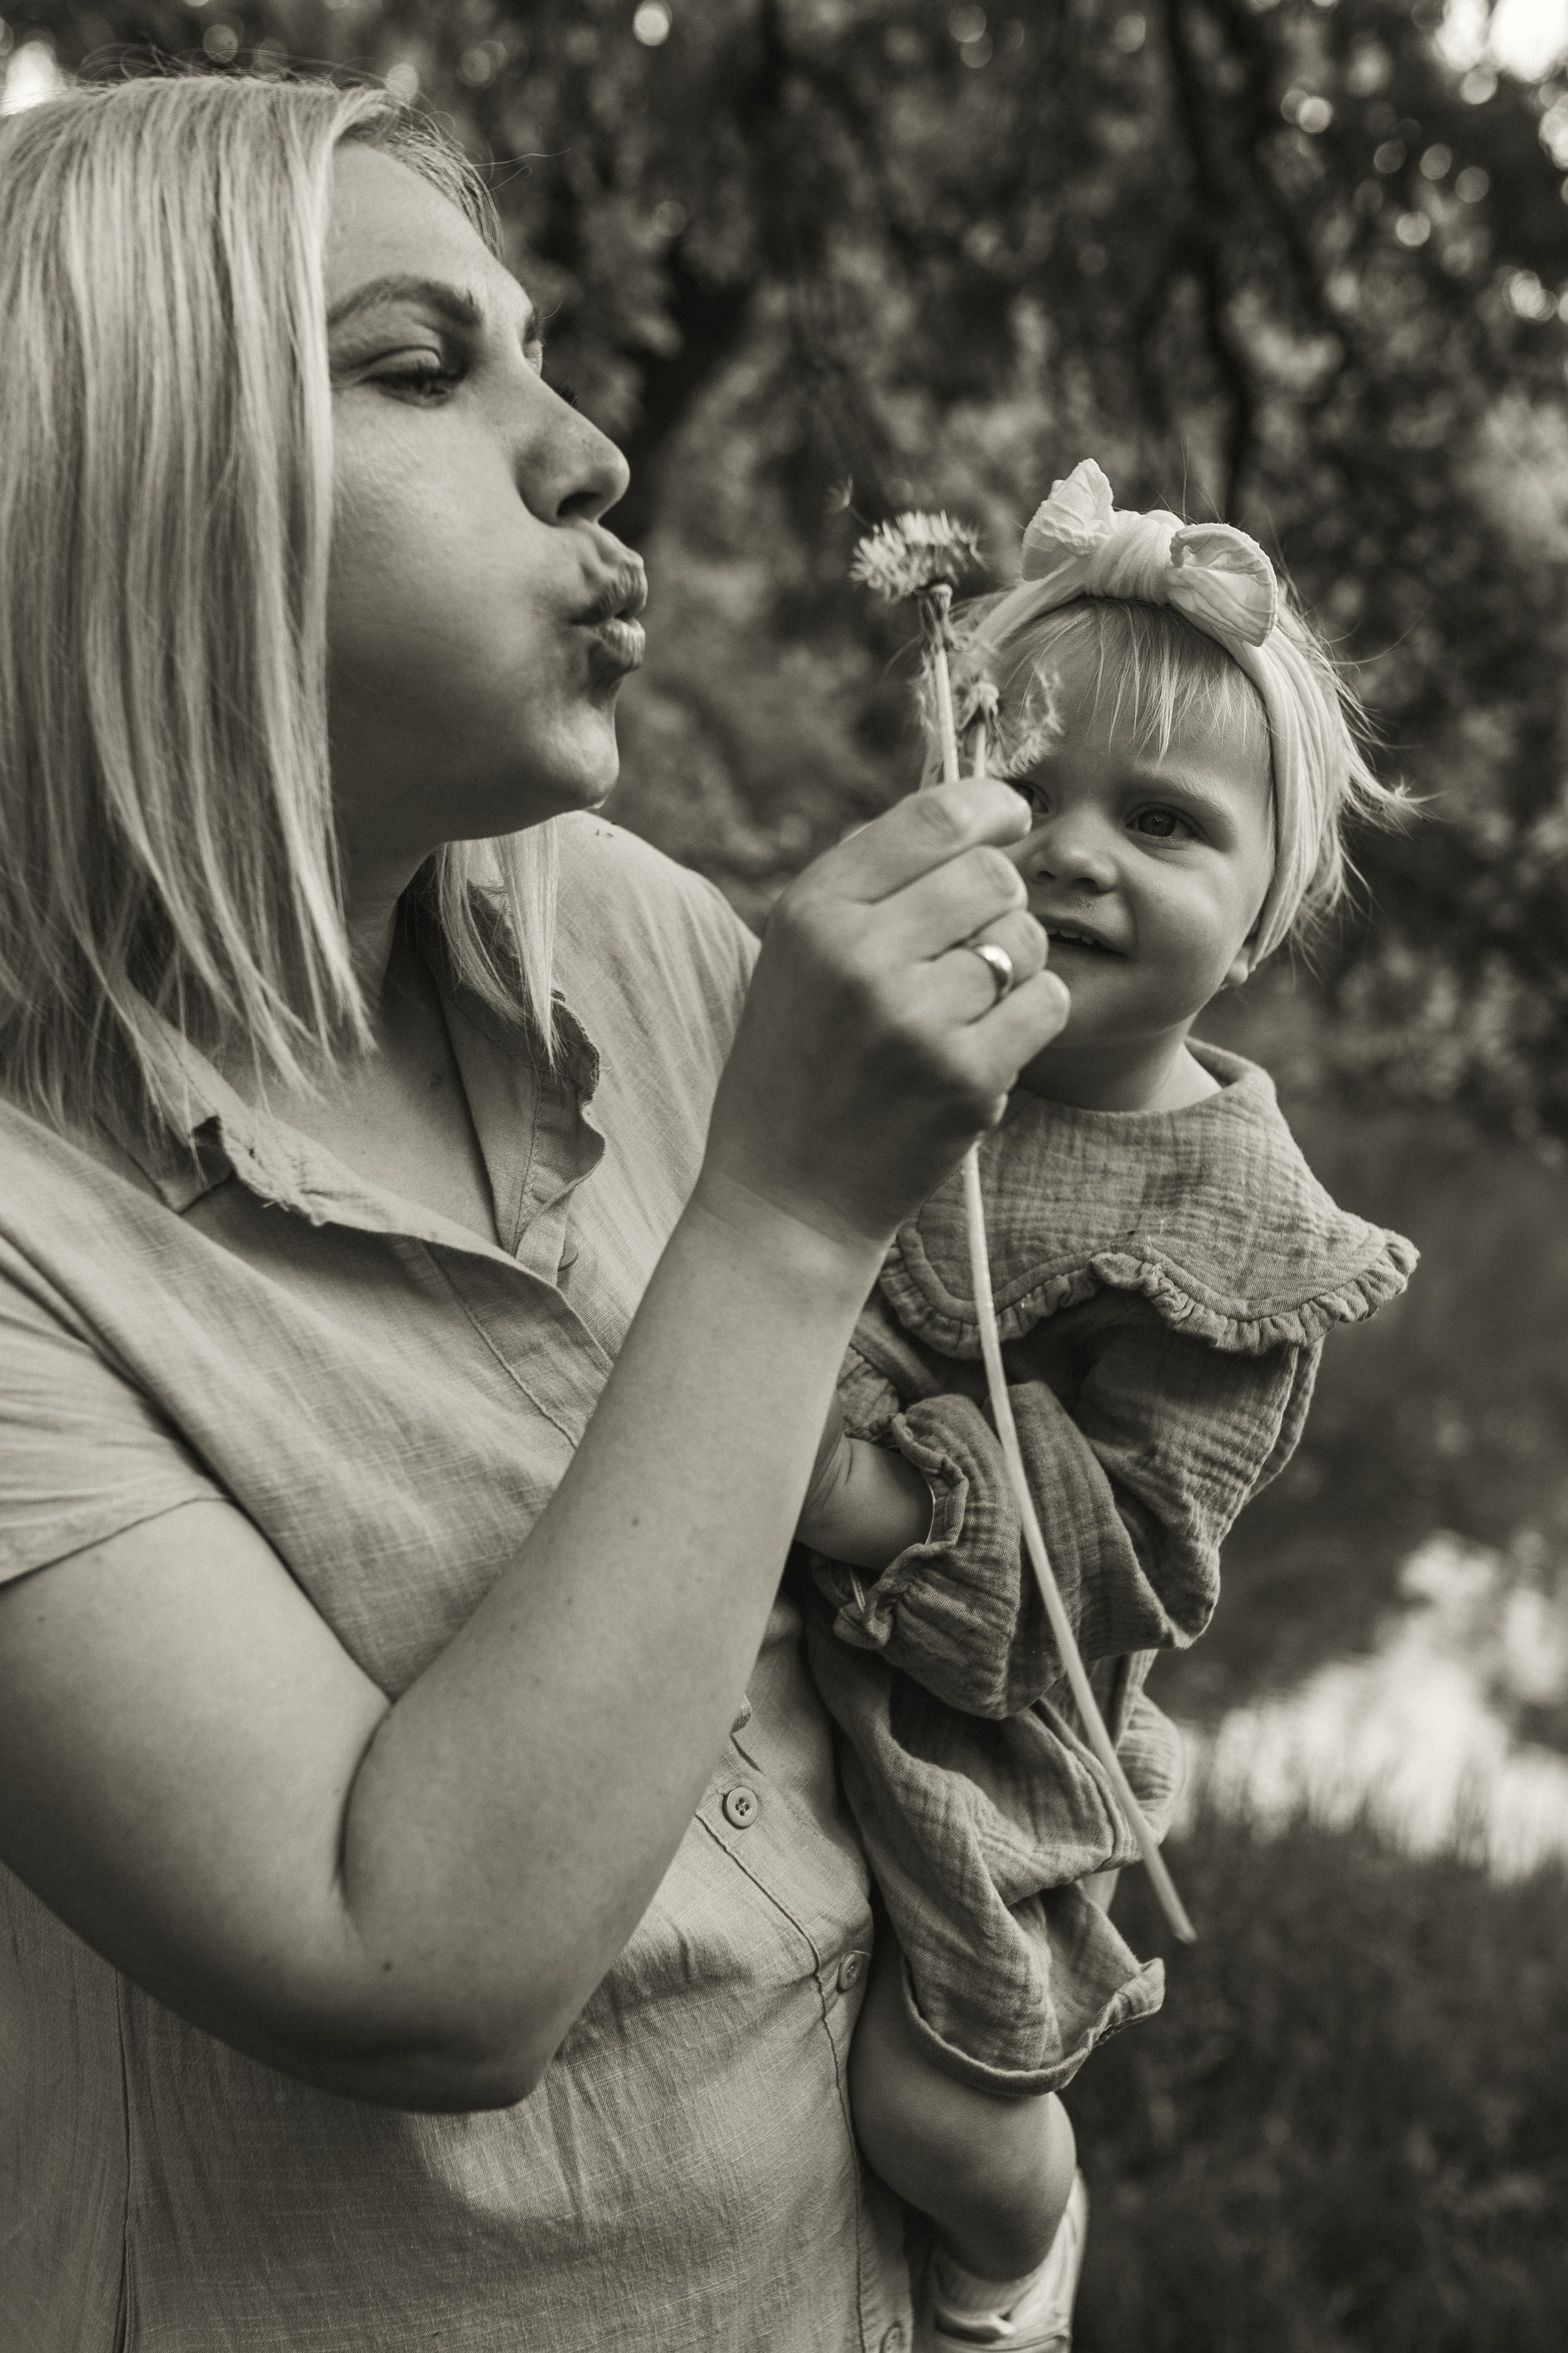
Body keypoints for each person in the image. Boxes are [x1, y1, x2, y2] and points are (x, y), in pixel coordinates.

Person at [0, 74, 1073, 2352]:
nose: (585, 445)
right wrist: (783, 1213)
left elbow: (886, 1563)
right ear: (126, 489)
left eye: (538, 348)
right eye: (421, 366)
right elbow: (408, 1965)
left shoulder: (655, 946)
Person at [794, 462, 1418, 2351]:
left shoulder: (1230, 1222)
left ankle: (1020, 2257)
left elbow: (1132, 1552)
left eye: (1161, 822)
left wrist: (867, 1499)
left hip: (992, 1710)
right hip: (763, 1586)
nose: (1072, 853)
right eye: (1030, 786)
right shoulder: (913, 1046)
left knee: (928, 2098)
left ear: (1264, 907)